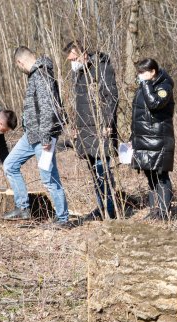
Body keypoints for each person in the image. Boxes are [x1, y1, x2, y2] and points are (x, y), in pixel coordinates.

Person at [2, 46, 71, 228]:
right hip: (31, 134)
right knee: (10, 164)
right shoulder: (35, 75)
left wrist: (46, 138)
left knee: (48, 177)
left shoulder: (41, 75)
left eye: (18, 66)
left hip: (43, 136)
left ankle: (63, 218)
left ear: (20, 62)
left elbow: (48, 107)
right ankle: (22, 207)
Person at [63, 41, 120, 221]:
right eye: (70, 60)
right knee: (94, 173)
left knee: (103, 171)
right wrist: (74, 126)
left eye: (74, 58)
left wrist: (108, 123)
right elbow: (76, 104)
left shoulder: (102, 69)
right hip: (84, 131)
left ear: (84, 54)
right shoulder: (78, 74)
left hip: (100, 129)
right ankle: (101, 207)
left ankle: (110, 210)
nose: (72, 62)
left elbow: (111, 97)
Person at [130, 58, 175, 221]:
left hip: (159, 139)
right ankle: (154, 210)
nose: (140, 76)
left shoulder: (164, 87)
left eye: (143, 72)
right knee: (150, 177)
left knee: (161, 176)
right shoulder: (143, 87)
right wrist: (132, 138)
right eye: (139, 73)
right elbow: (138, 116)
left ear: (153, 72)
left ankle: (164, 213)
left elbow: (155, 103)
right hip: (143, 139)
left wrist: (146, 84)